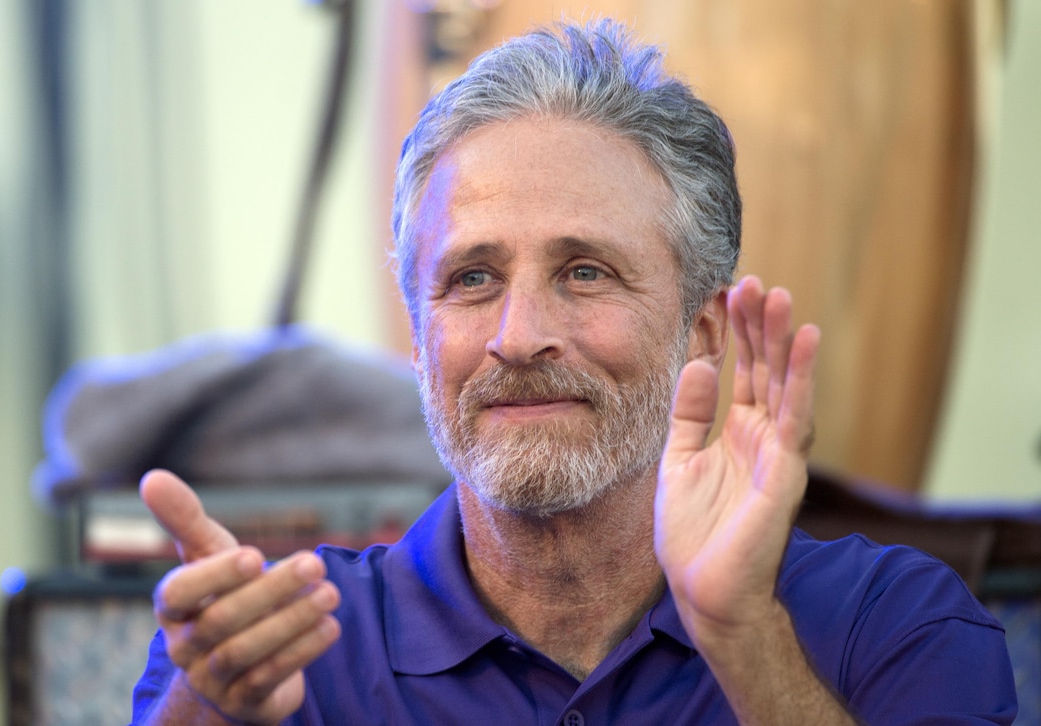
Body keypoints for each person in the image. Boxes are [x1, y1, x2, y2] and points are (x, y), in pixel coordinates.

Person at [131, 19, 1017, 725]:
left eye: (584, 271)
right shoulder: (283, 650)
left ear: (702, 328)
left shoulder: (896, 624)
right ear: (416, 334)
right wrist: (210, 710)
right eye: (472, 278)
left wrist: (741, 637)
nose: (519, 336)